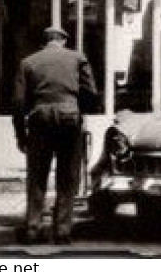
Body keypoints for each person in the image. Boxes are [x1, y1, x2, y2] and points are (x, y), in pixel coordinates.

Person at [13, 26, 98, 245]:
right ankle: (62, 231)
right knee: (68, 177)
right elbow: (91, 93)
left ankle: (33, 228)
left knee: (37, 177)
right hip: (70, 119)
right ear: (63, 40)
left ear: (45, 42)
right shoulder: (78, 58)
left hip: (40, 120)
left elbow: (19, 103)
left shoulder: (28, 62)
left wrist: (20, 134)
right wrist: (80, 110)